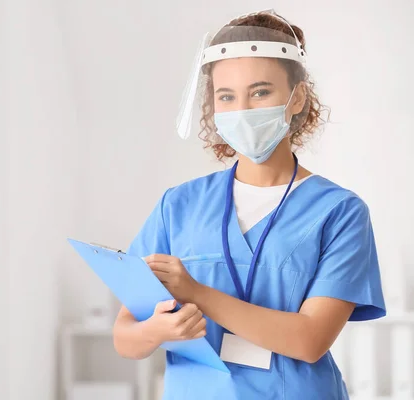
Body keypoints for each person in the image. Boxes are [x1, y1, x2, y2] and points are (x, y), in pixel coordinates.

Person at [112, 9, 386, 400]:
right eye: (227, 96)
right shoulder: (179, 205)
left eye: (260, 92)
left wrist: (198, 293)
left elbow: (310, 340)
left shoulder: (339, 213)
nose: (243, 109)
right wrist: (157, 331)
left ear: (297, 98)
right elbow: (125, 337)